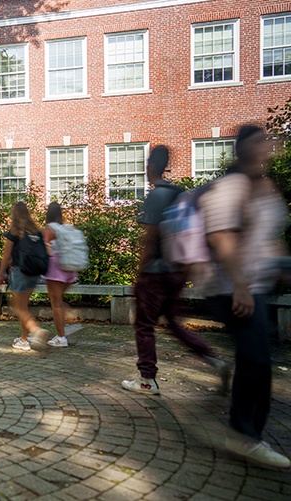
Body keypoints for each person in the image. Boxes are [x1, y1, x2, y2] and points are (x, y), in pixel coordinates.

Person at [201, 125, 290, 468]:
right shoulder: (231, 187)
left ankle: (245, 433)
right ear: (243, 149)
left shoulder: (265, 188)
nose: (268, 146)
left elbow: (269, 237)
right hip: (230, 287)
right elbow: (222, 237)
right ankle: (244, 435)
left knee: (257, 360)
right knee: (257, 360)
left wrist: (281, 267)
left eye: (269, 141)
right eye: (260, 142)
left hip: (257, 285)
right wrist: (240, 284)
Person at [122, 146, 230, 395]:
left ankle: (147, 379)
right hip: (178, 272)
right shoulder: (181, 194)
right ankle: (215, 359)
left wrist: (140, 273)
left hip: (155, 273)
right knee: (173, 323)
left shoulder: (157, 195)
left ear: (150, 167)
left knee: (144, 325)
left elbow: (150, 239)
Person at [0, 201, 51, 351]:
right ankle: (23, 340)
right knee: (23, 306)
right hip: (34, 273)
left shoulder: (14, 231)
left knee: (17, 306)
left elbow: (6, 254)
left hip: (21, 272)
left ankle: (37, 332)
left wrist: (1, 273)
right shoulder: (36, 231)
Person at [42, 202, 79, 348]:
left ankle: (61, 337)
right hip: (70, 266)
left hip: (56, 268)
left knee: (55, 303)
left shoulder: (50, 229)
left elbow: (44, 247)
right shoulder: (66, 227)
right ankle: (65, 329)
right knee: (59, 301)